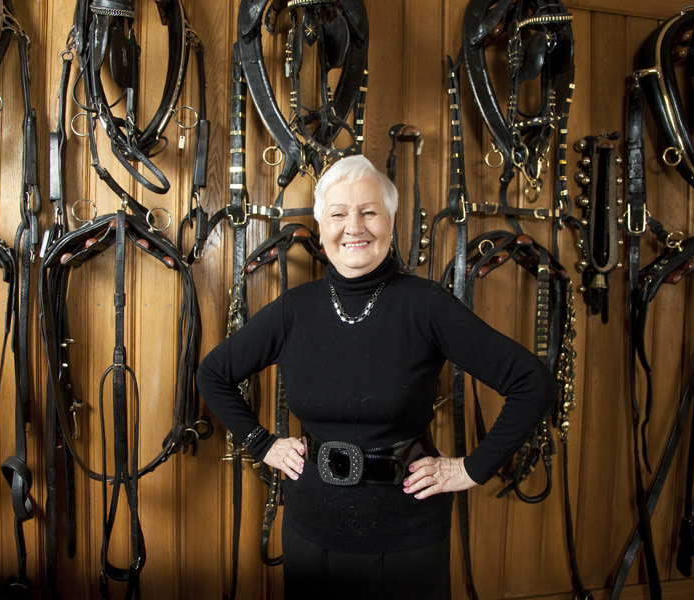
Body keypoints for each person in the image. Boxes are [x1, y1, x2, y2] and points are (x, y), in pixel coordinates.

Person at [197, 155, 557, 600]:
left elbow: (533, 384)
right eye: (338, 214)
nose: (354, 227)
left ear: (390, 222)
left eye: (369, 212)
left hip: (408, 536)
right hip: (311, 531)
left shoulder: (426, 305)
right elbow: (213, 374)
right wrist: (262, 444)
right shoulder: (293, 311)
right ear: (321, 227)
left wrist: (471, 468)